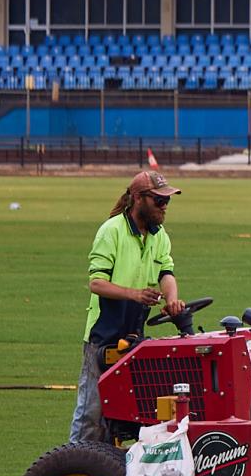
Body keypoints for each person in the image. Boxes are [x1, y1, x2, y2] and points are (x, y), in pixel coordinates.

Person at [69, 169, 186, 445]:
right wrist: (134, 295)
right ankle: (73, 463)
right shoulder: (111, 231)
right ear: (137, 199)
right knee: (91, 415)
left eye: (166, 200)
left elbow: (166, 272)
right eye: (159, 200)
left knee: (124, 414)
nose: (164, 206)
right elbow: (96, 283)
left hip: (134, 338)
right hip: (103, 336)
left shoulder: (159, 236)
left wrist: (172, 300)